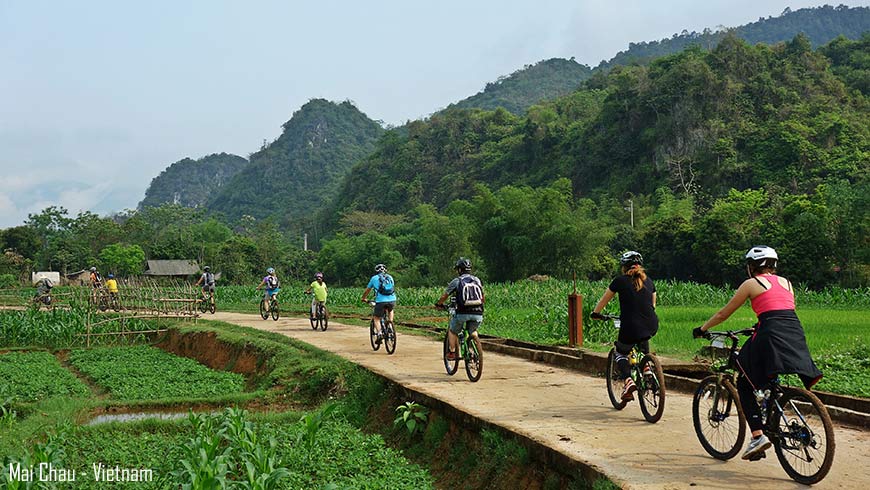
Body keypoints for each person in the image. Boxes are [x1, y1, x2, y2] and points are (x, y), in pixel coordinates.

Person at [692, 245, 822, 461]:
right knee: (768, 378)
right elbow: (781, 312)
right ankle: (772, 406)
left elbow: (724, 313)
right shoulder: (787, 283)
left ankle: (757, 436)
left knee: (743, 383)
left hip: (770, 333)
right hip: (794, 333)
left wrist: (702, 329)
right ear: (774, 265)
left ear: (752, 267)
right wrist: (758, 324)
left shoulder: (751, 283)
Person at [590, 251, 659, 402]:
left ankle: (628, 382)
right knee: (642, 337)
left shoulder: (620, 281)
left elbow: (604, 300)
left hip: (630, 325)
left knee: (620, 352)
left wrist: (596, 313)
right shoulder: (649, 281)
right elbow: (653, 305)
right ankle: (647, 367)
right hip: (651, 324)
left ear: (623, 267)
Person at [434, 258, 484, 361]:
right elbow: (482, 296)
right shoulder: (477, 280)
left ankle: (452, 352)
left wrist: (439, 304)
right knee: (473, 330)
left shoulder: (457, 281)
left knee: (452, 330)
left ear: (460, 270)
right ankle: (475, 351)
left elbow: (445, 296)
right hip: (478, 312)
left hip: (463, 312)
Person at [360, 264, 396, 341]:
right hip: (392, 299)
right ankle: (390, 325)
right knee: (390, 310)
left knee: (376, 318)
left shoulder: (374, 278)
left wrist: (363, 298)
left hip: (380, 301)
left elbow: (367, 290)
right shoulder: (390, 277)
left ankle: (379, 334)